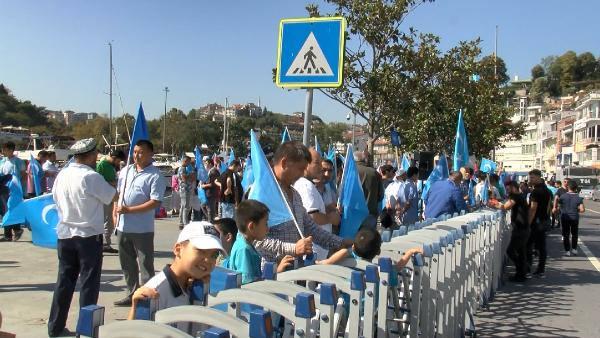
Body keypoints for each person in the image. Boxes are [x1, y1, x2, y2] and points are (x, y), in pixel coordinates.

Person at [48, 138, 117, 337]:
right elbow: (112, 196)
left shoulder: (63, 174)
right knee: (89, 284)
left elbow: (54, 197)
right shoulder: (91, 176)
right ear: (91, 155)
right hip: (88, 236)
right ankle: (86, 330)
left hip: (65, 234)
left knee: (64, 282)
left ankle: (55, 327)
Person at [254, 141, 352, 265]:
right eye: (300, 169)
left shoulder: (295, 194)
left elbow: (310, 228)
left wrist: (340, 242)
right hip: (270, 273)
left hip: (295, 270)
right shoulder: (261, 193)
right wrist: (293, 248)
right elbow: (254, 239)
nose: (302, 174)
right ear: (284, 163)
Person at [127, 222, 226, 333]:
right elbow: (134, 332)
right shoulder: (154, 292)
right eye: (201, 251)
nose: (208, 260)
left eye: (214, 255)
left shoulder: (198, 284)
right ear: (178, 249)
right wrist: (135, 311)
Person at [114, 140, 166, 306]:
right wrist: (115, 213)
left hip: (142, 229)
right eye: (135, 152)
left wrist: (129, 210)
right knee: (127, 263)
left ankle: (147, 297)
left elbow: (155, 202)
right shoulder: (126, 171)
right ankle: (131, 293)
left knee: (145, 265)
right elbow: (118, 194)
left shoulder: (155, 175)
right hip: (122, 226)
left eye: (141, 152)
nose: (136, 155)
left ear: (151, 154)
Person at [226, 200, 294, 284]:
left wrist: (276, 271)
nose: (268, 228)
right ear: (252, 226)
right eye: (265, 223)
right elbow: (248, 284)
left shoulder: (244, 244)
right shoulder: (244, 249)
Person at [293, 147, 341, 260]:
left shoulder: (306, 184)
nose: (320, 167)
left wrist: (326, 208)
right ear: (305, 164)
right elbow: (312, 216)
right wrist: (331, 218)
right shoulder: (306, 186)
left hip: (315, 249)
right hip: (313, 252)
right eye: (317, 163)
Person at [317, 227, 423, 269]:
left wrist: (327, 262)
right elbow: (398, 268)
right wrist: (409, 252)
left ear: (353, 246)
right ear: (378, 251)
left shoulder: (348, 259)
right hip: (369, 310)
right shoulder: (378, 270)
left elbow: (344, 251)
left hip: (344, 305)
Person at [489, 181, 529, 282]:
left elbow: (505, 207)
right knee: (521, 252)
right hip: (523, 228)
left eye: (509, 188)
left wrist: (493, 202)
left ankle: (521, 271)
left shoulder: (516, 197)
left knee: (511, 250)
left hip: (520, 228)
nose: (507, 190)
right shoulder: (519, 196)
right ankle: (522, 272)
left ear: (514, 187)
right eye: (506, 188)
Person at [96, 149, 125, 253]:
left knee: (109, 221)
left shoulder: (110, 166)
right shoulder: (102, 165)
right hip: (104, 197)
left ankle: (106, 242)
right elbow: (99, 180)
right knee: (106, 220)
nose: (118, 163)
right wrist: (113, 183)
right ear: (114, 158)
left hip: (110, 196)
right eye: (118, 161)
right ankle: (104, 243)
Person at [526, 169, 552, 278]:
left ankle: (527, 270)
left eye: (532, 178)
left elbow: (533, 209)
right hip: (544, 220)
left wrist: (527, 223)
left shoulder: (536, 191)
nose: (530, 179)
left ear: (538, 177)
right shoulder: (547, 190)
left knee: (528, 245)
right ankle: (540, 270)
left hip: (536, 222)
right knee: (541, 246)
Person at [0, 141, 26, 241]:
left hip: (14, 189)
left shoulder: (19, 161)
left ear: (11, 150)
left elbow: (23, 175)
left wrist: (23, 190)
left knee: (10, 209)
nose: (3, 151)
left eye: (5, 149)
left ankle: (11, 233)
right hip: (3, 188)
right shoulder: (2, 161)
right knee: (5, 210)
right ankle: (13, 231)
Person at [555, 180, 585, 256]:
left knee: (566, 234)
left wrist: (556, 208)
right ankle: (574, 249)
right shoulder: (579, 197)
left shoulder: (563, 196)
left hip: (565, 217)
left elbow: (557, 204)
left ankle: (567, 251)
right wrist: (576, 209)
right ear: (576, 188)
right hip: (574, 217)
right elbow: (582, 210)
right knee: (574, 234)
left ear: (568, 187)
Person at [354, 151, 384, 228]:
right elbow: (381, 196)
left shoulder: (348, 172)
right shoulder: (374, 173)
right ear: (365, 160)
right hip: (370, 212)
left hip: (353, 214)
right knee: (369, 238)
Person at [201, 156, 220, 222]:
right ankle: (211, 220)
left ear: (210, 164)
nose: (205, 165)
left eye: (206, 163)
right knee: (204, 206)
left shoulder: (213, 171)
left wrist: (204, 186)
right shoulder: (209, 171)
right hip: (208, 193)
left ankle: (211, 222)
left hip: (212, 193)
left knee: (210, 209)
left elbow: (213, 183)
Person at [178, 156, 194, 229]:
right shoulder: (182, 169)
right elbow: (184, 179)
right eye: (188, 162)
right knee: (186, 206)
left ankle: (181, 222)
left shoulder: (183, 168)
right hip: (185, 189)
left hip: (184, 189)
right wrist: (190, 175)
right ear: (185, 161)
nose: (189, 163)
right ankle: (185, 223)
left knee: (183, 206)